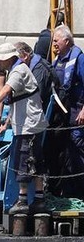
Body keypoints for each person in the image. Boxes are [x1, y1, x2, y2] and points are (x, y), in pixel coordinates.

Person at [0, 43, 48, 215]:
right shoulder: (16, 70)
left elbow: (6, 90)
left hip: (28, 126)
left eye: (1, 60)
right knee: (35, 160)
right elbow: (17, 101)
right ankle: (38, 199)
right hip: (28, 124)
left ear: (9, 58)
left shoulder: (18, 71)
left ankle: (23, 200)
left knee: (25, 160)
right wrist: (6, 122)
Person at [51, 24, 84, 198]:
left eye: (56, 40)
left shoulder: (79, 59)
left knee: (78, 153)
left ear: (66, 40)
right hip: (62, 117)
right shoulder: (57, 60)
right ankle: (68, 192)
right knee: (66, 155)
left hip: (76, 115)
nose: (54, 44)